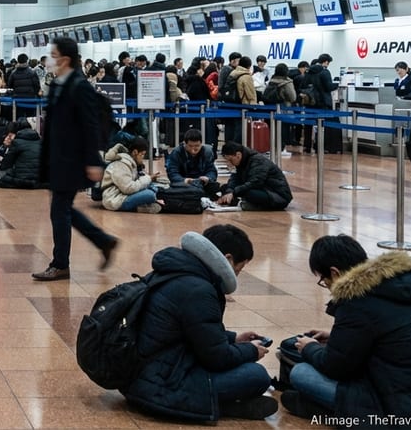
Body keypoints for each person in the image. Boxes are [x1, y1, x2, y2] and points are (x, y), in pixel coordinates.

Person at [282, 235, 411, 421]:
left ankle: (335, 412)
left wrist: (310, 348)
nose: (327, 286)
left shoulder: (355, 300)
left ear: (335, 273)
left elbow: (335, 367)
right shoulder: (405, 284)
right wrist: (335, 336)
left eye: (324, 281)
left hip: (402, 409)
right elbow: (391, 336)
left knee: (301, 373)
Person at [125, 224, 277, 422]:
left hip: (144, 373)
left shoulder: (176, 270)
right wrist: (251, 351)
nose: (237, 276)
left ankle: (225, 405)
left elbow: (193, 330)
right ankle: (220, 406)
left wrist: (233, 338)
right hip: (162, 384)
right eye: (239, 270)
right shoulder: (199, 290)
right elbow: (217, 358)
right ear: (228, 259)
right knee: (256, 375)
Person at [33, 37, 118, 281]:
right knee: (62, 209)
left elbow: (90, 125)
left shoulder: (79, 86)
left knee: (59, 210)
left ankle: (61, 264)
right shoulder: (60, 82)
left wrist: (93, 160)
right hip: (58, 157)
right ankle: (103, 241)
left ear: (66, 59)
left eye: (54, 54)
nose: (51, 58)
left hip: (72, 159)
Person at [214, 141, 292, 211]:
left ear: (238, 155)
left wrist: (234, 193)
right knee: (225, 187)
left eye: (230, 160)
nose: (230, 163)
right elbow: (234, 178)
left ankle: (243, 203)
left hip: (277, 195)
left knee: (249, 193)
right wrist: (230, 191)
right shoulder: (240, 161)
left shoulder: (258, 161)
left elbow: (255, 182)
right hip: (262, 189)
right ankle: (239, 201)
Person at [101, 136, 165, 213]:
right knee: (149, 194)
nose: (143, 157)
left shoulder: (132, 163)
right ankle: (138, 207)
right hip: (115, 199)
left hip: (123, 195)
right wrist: (148, 178)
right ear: (135, 152)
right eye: (142, 154)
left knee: (153, 188)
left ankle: (141, 206)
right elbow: (128, 188)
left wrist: (147, 178)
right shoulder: (120, 164)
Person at [165, 129, 219, 198]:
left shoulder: (207, 151)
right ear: (185, 144)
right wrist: (184, 180)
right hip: (184, 183)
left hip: (201, 183)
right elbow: (172, 172)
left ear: (201, 144)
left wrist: (208, 178)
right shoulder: (177, 152)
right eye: (190, 146)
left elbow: (211, 170)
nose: (193, 150)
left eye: (197, 146)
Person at [0, 120, 43, 189]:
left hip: (22, 178)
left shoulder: (16, 142)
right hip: (39, 178)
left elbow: (5, 165)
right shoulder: (40, 142)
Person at [6, 53, 42, 118]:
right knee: (30, 118)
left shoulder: (13, 73)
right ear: (27, 61)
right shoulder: (32, 72)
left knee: (18, 117)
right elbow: (37, 86)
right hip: (30, 99)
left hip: (18, 99)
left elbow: (9, 85)